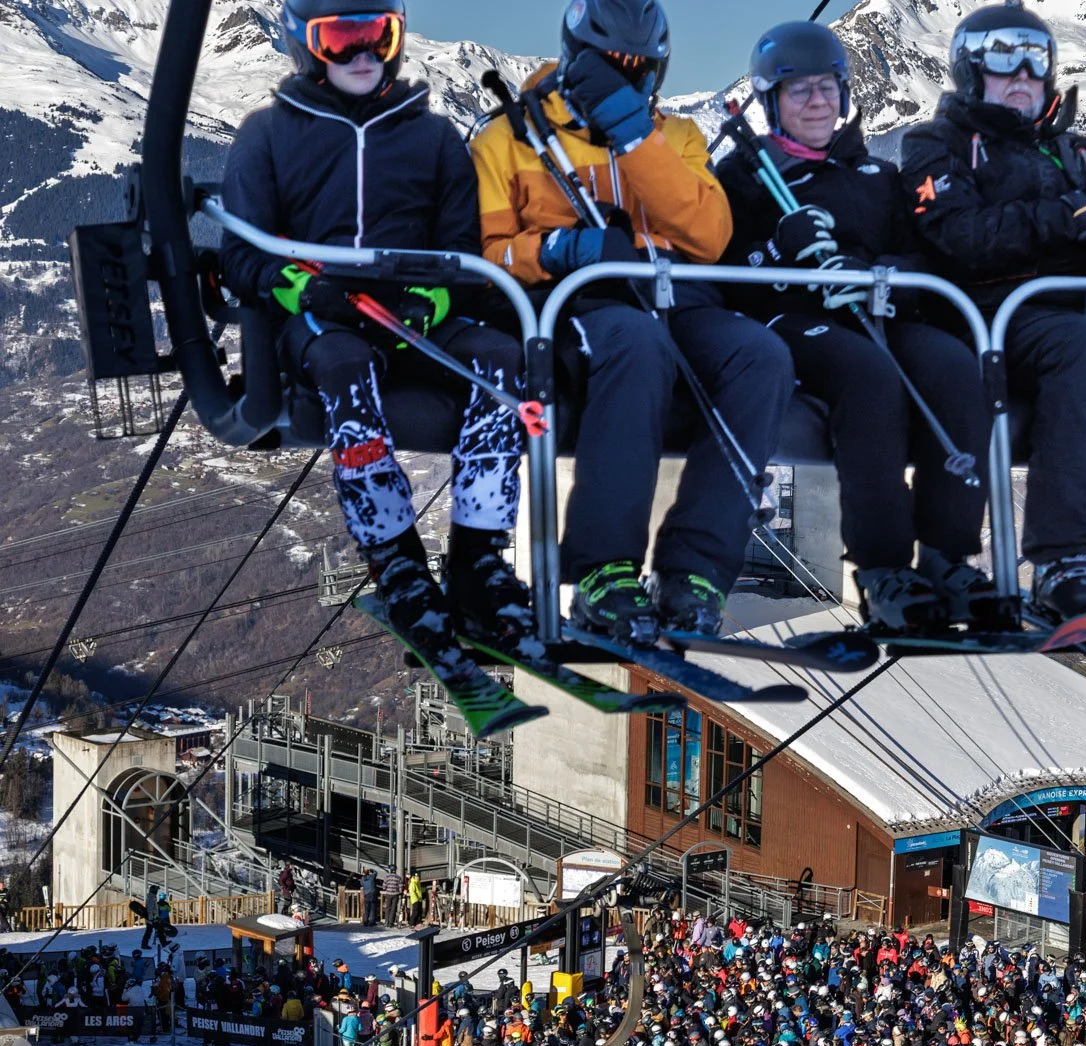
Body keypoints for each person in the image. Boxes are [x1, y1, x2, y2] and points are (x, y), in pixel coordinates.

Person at [221, 0, 541, 675]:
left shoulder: (432, 139)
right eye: (340, 39)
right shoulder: (269, 135)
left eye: (378, 35)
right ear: (305, 47)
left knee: (502, 361)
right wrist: (302, 289)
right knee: (343, 364)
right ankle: (397, 563)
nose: (361, 54)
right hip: (323, 319)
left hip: (411, 311)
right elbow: (242, 255)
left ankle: (479, 558)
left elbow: (462, 251)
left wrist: (431, 298)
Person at [471, 0, 791, 646]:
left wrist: (632, 135)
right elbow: (481, 252)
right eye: (611, 67)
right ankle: (603, 571)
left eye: (638, 71)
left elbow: (709, 236)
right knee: (639, 345)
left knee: (761, 357)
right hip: (575, 305)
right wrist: (561, 251)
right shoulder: (507, 137)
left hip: (675, 295)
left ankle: (695, 570)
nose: (625, 80)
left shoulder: (673, 138)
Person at [901, 1, 1086, 625]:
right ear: (969, 71)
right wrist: (1066, 219)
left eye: (1034, 62)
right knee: (1083, 347)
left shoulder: (1082, 151)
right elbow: (960, 234)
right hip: (993, 315)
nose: (1020, 75)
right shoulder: (938, 145)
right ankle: (1062, 560)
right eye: (1001, 61)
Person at [715, 22, 992, 632]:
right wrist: (781, 256)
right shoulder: (744, 178)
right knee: (869, 377)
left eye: (827, 87)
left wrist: (874, 275)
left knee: (952, 365)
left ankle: (947, 557)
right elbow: (722, 267)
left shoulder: (875, 176)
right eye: (799, 92)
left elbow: (923, 256)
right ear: (772, 103)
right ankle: (883, 568)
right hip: (793, 321)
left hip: (873, 312)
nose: (817, 102)